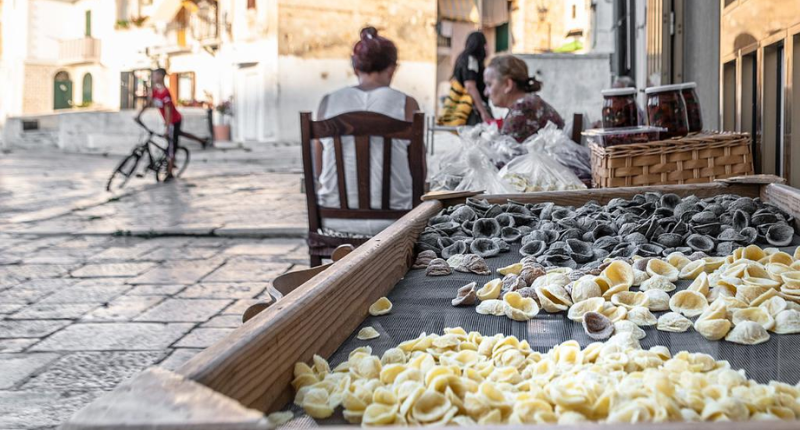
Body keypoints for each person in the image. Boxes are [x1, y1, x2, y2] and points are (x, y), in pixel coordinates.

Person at [314, 27, 422, 236]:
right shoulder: (407, 103)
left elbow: (318, 170)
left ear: (355, 68)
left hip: (333, 221)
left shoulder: (327, 102)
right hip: (394, 222)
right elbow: (419, 171)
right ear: (392, 69)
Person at [136, 68, 209, 180]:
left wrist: (167, 127)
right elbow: (148, 103)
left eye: (155, 75)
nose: (153, 78)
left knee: (171, 145)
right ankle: (201, 140)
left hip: (174, 120)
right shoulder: (155, 90)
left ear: (161, 76)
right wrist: (139, 115)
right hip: (167, 121)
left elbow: (169, 111)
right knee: (178, 135)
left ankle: (170, 172)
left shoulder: (166, 92)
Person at [484, 55, 564, 143]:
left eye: (489, 84)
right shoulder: (528, 102)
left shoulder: (522, 109)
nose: (486, 93)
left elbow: (503, 153)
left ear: (508, 84)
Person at [438, 32, 492, 126]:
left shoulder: (462, 57)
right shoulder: (471, 59)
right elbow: (470, 86)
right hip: (471, 110)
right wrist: (483, 111)